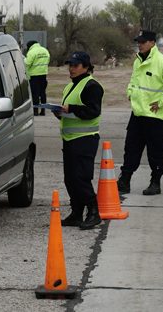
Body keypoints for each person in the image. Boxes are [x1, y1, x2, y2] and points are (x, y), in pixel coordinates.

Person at [118, 30, 163, 196]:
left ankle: (155, 182)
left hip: (155, 117)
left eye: (143, 41)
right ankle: (124, 180)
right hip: (137, 114)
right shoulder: (138, 60)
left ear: (152, 42)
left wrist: (161, 102)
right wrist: (130, 92)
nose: (140, 44)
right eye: (138, 41)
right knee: (130, 149)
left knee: (155, 152)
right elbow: (134, 80)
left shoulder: (162, 62)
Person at [54, 51, 105, 230]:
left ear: (86, 67)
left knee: (81, 178)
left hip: (84, 140)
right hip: (70, 139)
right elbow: (72, 113)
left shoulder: (92, 86)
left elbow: (93, 111)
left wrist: (71, 108)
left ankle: (93, 212)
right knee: (70, 179)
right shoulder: (70, 87)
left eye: (75, 65)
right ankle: (77, 213)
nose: (71, 68)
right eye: (70, 65)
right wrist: (60, 112)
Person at [24, 40, 51, 116]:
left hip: (34, 76)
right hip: (43, 75)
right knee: (42, 93)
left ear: (30, 46)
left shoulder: (32, 52)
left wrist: (23, 60)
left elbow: (27, 63)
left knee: (35, 94)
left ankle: (35, 111)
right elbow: (48, 61)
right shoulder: (45, 50)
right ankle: (43, 111)